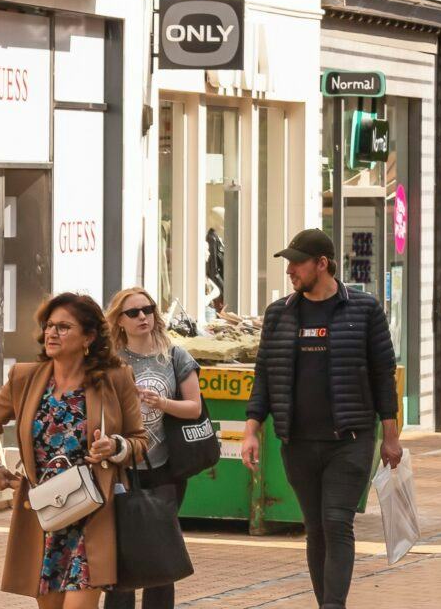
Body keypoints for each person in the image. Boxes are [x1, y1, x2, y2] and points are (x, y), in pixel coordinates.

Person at [240, 229, 401, 608]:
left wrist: (390, 436)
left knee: (336, 522)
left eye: (297, 263)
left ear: (322, 263)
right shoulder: (279, 314)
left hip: (350, 440)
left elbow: (383, 375)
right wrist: (251, 430)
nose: (290, 271)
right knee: (315, 528)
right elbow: (264, 375)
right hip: (297, 442)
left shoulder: (364, 310)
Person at [0, 292, 149, 607]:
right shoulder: (24, 377)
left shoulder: (115, 378)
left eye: (63, 327)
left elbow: (139, 442)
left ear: (88, 337)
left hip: (93, 514)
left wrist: (115, 447)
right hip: (44, 514)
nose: (52, 333)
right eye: (49, 326)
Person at [105, 285, 202, 609]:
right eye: (133, 312)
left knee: (161, 551)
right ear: (119, 320)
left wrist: (162, 403)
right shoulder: (110, 362)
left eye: (147, 309)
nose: (142, 316)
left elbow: (194, 408)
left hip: (165, 468)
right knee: (121, 549)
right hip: (120, 466)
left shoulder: (174, 356)